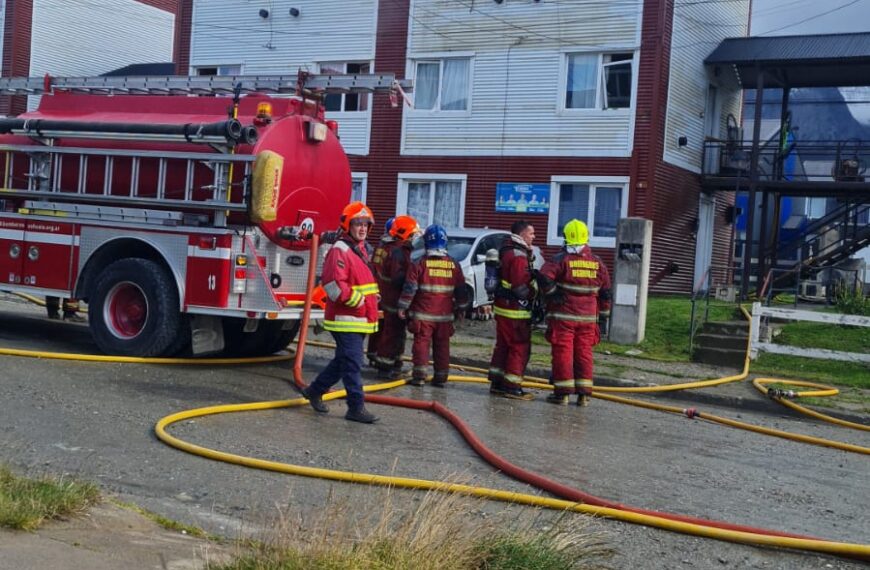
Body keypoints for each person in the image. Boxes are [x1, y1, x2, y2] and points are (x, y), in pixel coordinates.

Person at [300, 201, 380, 424]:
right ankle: (355, 407)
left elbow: (359, 281)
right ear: (347, 225)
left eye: (366, 224)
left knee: (343, 361)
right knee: (353, 363)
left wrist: (372, 299)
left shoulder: (361, 249)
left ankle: (314, 391)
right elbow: (333, 286)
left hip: (359, 317)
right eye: (358, 224)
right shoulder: (340, 250)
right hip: (346, 319)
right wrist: (360, 301)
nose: (363, 228)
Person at [537, 219, 611, 407]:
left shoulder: (561, 259)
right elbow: (606, 292)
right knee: (584, 353)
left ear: (566, 238)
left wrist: (553, 294)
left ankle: (562, 394)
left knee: (564, 352)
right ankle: (584, 395)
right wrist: (603, 317)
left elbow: (544, 278)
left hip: (564, 318)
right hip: (588, 319)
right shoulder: (597, 262)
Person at [397, 225, 469, 387]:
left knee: (421, 345)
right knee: (442, 346)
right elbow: (461, 291)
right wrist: (462, 308)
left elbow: (410, 288)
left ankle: (419, 376)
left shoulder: (419, 264)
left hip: (423, 316)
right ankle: (441, 377)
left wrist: (403, 307)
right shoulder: (454, 265)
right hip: (444, 317)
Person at [488, 220, 537, 400]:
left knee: (503, 346)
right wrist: (536, 291)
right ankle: (512, 386)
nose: (534, 237)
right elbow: (520, 287)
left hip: (503, 308)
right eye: (531, 233)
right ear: (522, 234)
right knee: (519, 347)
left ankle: (497, 382)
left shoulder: (506, 249)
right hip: (516, 310)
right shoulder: (518, 256)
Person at [374, 215, 421, 380]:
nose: (415, 237)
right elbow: (399, 278)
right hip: (394, 300)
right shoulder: (400, 252)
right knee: (392, 333)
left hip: (386, 298)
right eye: (413, 234)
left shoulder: (389, 247)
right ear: (406, 234)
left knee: (391, 332)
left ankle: (393, 363)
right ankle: (386, 367)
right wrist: (415, 278)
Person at [366, 217, 395, 366]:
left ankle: (372, 353)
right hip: (385, 293)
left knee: (378, 325)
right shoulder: (391, 250)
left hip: (376, 290)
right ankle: (381, 360)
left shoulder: (380, 247)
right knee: (386, 327)